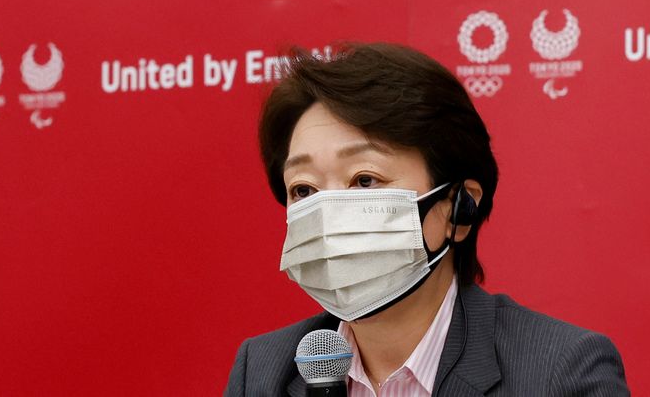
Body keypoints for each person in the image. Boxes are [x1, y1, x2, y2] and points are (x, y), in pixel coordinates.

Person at [223, 43, 629, 396]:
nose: (328, 214)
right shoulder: (262, 371)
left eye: (365, 180)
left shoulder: (561, 371)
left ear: (458, 208)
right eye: (304, 190)